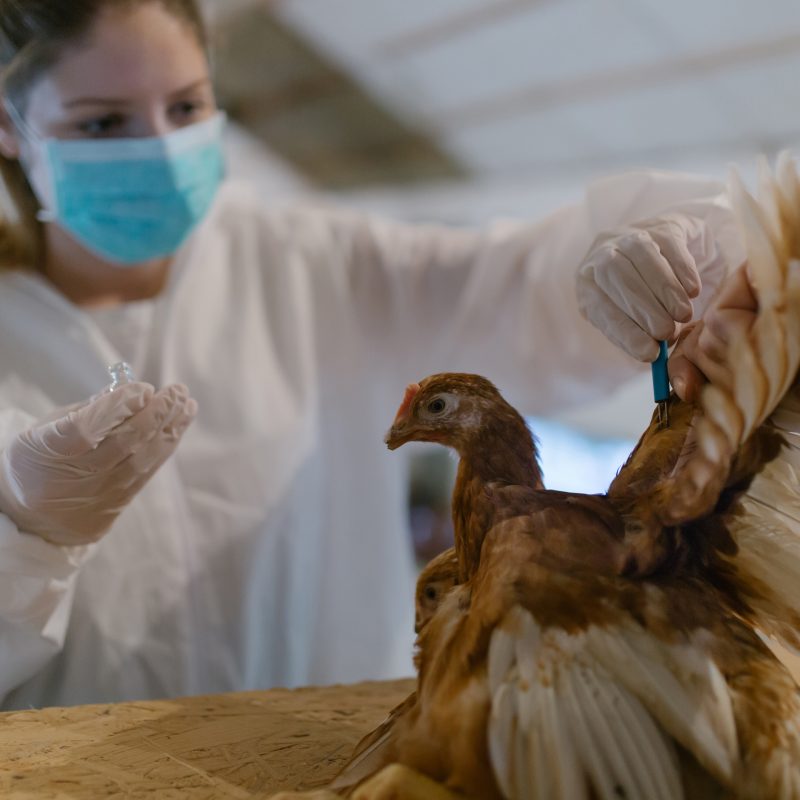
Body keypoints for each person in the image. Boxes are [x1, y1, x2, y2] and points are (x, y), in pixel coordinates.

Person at [0, 0, 746, 710]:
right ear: (9, 127)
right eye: (102, 123)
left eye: (187, 108)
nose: (160, 148)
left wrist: (653, 251)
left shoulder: (309, 262)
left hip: (344, 755)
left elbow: (510, 288)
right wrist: (28, 537)